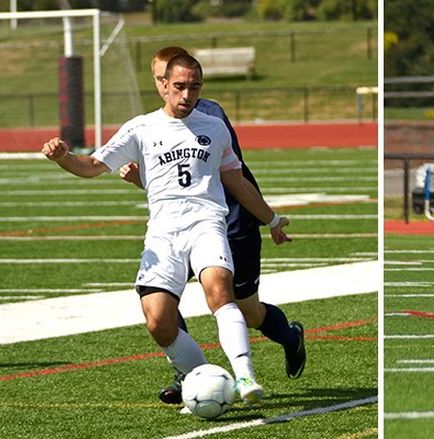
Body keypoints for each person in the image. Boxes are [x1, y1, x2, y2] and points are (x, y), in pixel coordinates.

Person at [42, 54, 290, 405]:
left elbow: (237, 180)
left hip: (207, 225)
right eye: (179, 87)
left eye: (194, 87)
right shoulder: (140, 128)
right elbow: (92, 166)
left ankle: (245, 374)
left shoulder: (214, 127)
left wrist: (273, 220)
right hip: (163, 233)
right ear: (163, 86)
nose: (187, 95)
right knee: (159, 321)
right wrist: (63, 157)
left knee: (219, 289)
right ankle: (203, 378)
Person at [120, 46, 306, 405]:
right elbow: (173, 183)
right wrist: (142, 179)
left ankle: (289, 337)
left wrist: (269, 219)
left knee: (247, 310)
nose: (167, 87)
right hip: (180, 226)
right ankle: (190, 374)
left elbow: (222, 177)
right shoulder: (156, 122)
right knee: (161, 299)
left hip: (230, 221)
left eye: (169, 79)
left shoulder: (208, 115)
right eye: (160, 79)